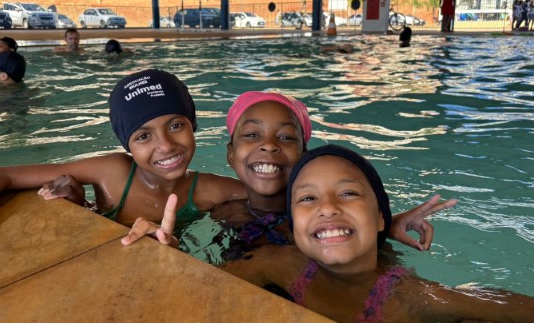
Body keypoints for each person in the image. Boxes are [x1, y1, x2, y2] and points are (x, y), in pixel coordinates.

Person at [219, 144, 534, 323]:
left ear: (380, 218)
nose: (327, 207)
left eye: (348, 194)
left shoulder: (413, 298)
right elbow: (206, 290)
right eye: (308, 199)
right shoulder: (277, 264)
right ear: (294, 224)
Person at [0, 69, 246, 260]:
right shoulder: (113, 172)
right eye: (143, 136)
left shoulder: (213, 189)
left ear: (193, 125)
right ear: (127, 145)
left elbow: (268, 201)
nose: (166, 145)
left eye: (176, 125)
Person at [124, 91, 456, 253]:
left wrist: (379, 226)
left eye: (285, 138)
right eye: (252, 135)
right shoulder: (221, 210)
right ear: (230, 154)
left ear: (304, 157)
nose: (269, 146)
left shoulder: (317, 218)